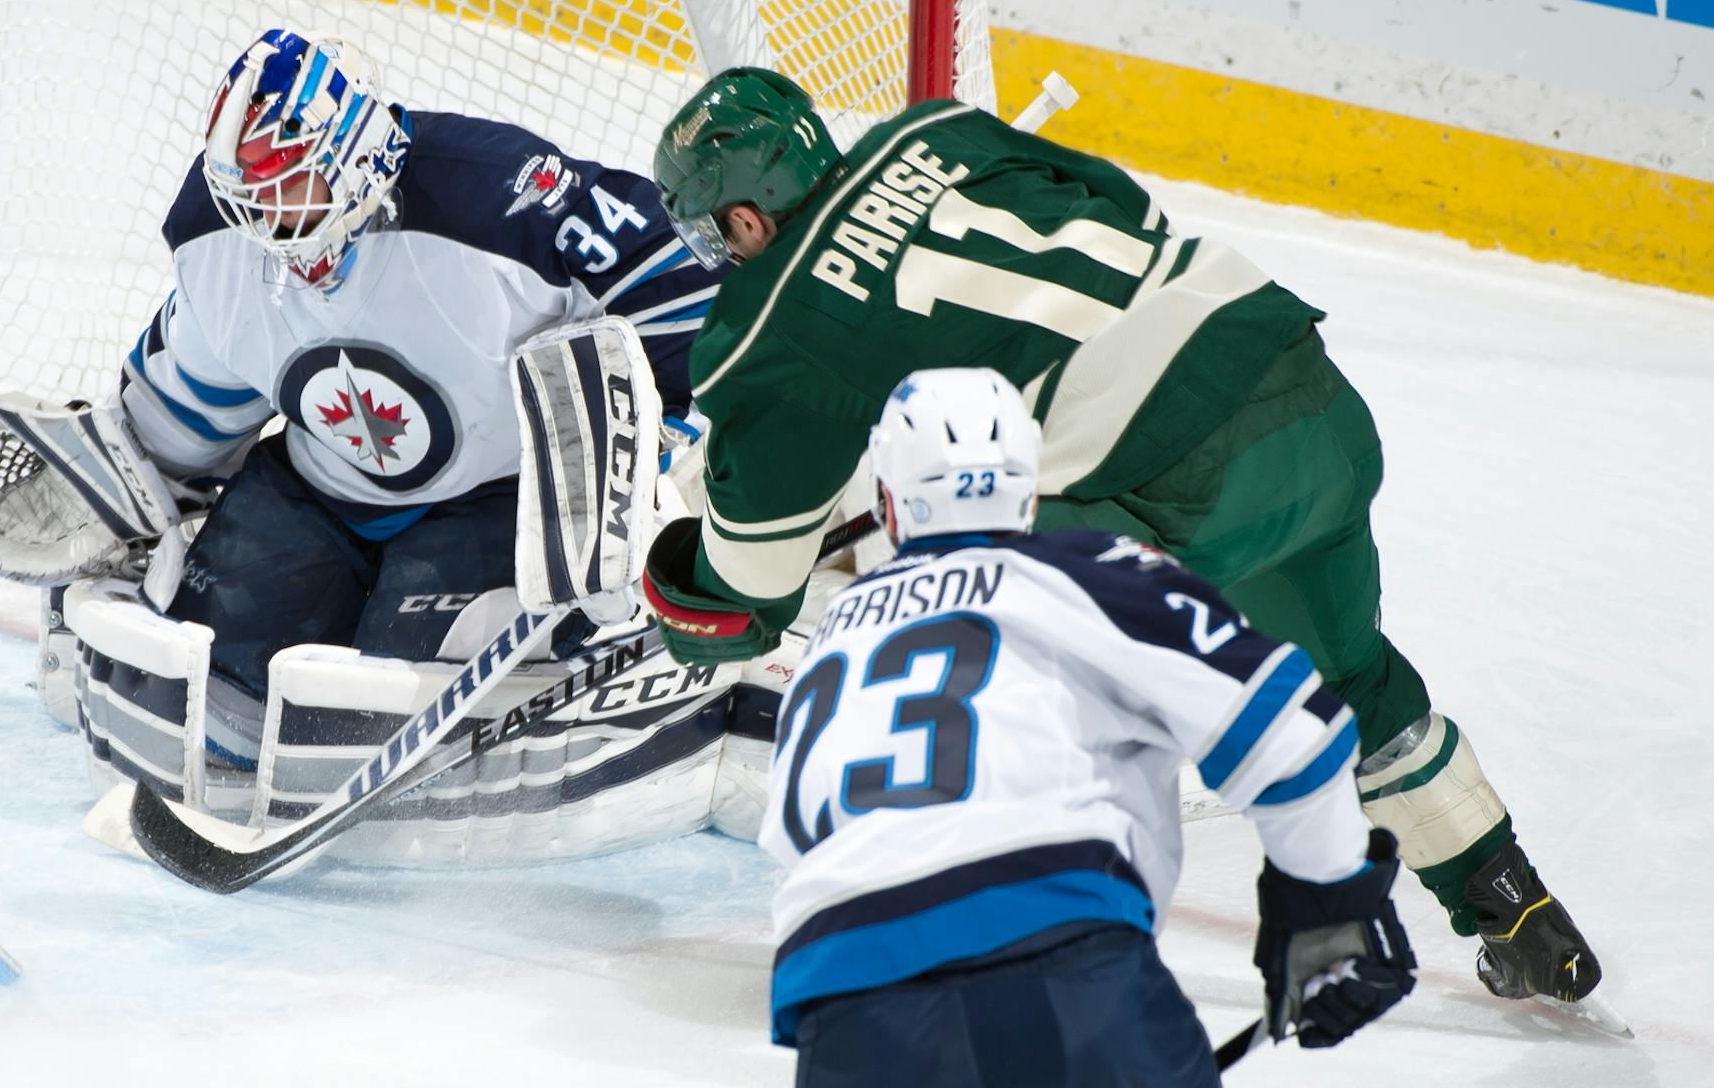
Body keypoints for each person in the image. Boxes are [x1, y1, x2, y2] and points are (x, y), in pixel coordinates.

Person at [640, 67, 1601, 1007]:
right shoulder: (933, 131)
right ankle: (1513, 907)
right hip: (1296, 382)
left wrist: (689, 590)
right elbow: (1122, 203)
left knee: (936, 613)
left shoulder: (762, 330)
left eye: (708, 231)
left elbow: (753, 580)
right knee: (1349, 682)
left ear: (744, 218)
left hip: (1174, 485)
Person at [0, 27, 737, 857]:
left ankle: (613, 627)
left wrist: (662, 424)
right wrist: (125, 485)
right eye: (244, 192)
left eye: (286, 185)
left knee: (388, 689)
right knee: (212, 661)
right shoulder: (222, 244)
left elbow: (690, 283)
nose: (261, 216)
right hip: (318, 487)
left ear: (356, 158)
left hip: (499, 497)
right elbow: (188, 401)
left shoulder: (498, 200)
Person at [760, 367, 1415, 1085]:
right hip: (1055, 963)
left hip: (844, 999)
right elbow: (1292, 734)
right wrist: (1327, 907)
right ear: (1030, 482)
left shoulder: (834, 635)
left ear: (888, 500)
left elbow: (794, 838)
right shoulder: (1087, 571)